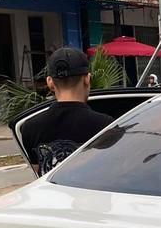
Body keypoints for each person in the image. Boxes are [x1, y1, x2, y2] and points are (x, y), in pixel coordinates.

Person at [19, 46, 111, 175]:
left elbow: (38, 173)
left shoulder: (29, 127)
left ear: (50, 82)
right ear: (87, 79)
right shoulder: (106, 125)